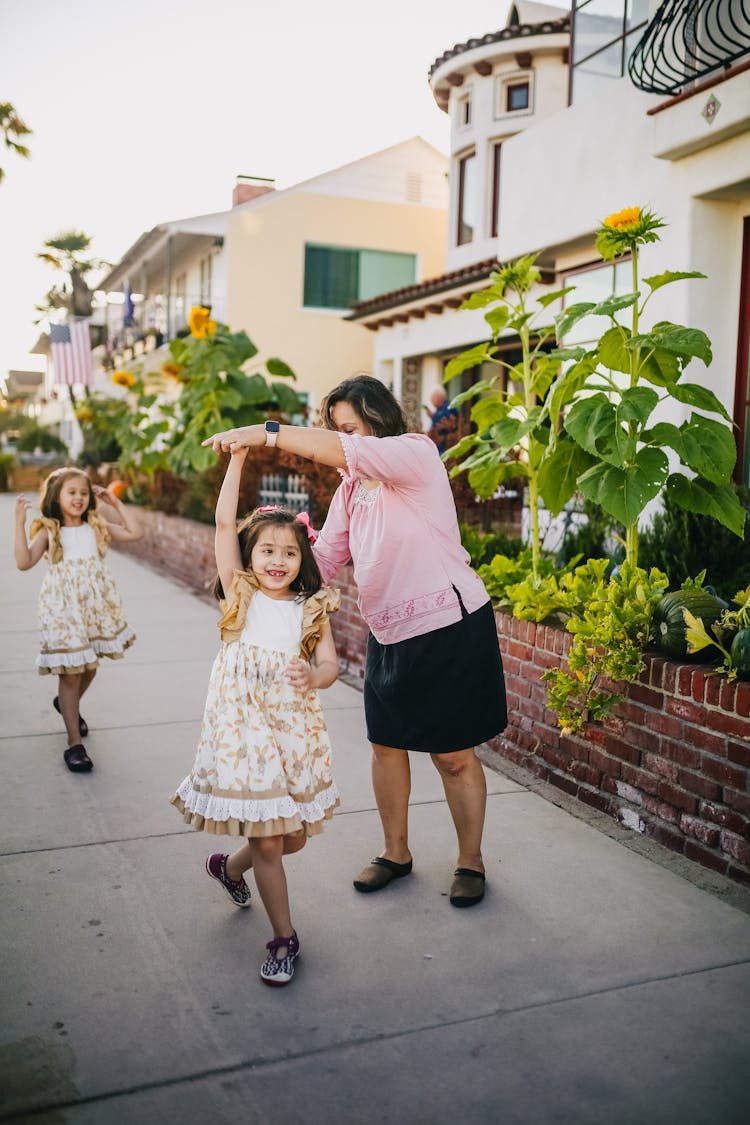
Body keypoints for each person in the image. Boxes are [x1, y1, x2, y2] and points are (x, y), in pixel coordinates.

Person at [202, 374, 508, 909]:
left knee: (453, 756)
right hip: (388, 633)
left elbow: (338, 452)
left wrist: (264, 433)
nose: (341, 440)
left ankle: (471, 861)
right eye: (338, 428)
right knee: (386, 747)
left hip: (449, 626)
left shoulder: (414, 456)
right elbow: (321, 564)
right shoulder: (350, 492)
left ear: (377, 422)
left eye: (350, 429)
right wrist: (261, 573)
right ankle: (396, 853)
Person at [170, 447, 340, 988]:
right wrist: (239, 457)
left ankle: (230, 867)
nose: (276, 560)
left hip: (291, 723)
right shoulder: (239, 594)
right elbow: (224, 520)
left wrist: (313, 678)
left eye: (288, 553)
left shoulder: (311, 605)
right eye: (266, 549)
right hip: (243, 728)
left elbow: (332, 665)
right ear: (250, 553)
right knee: (270, 838)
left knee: (292, 838)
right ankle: (284, 939)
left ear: (301, 560)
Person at [14, 467, 142, 773]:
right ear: (56, 496)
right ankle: (74, 744)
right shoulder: (50, 530)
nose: (79, 498)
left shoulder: (96, 526)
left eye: (83, 493)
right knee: (70, 674)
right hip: (62, 612)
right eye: (71, 492)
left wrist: (115, 502)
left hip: (93, 609)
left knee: (90, 667)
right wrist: (18, 523)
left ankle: (66, 705)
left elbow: (135, 532)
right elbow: (23, 562)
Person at [423, 386, 459, 455]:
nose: (431, 401)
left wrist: (432, 416)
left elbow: (442, 424)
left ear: (438, 398)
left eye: (432, 398)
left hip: (444, 445)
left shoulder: (447, 407)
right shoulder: (441, 408)